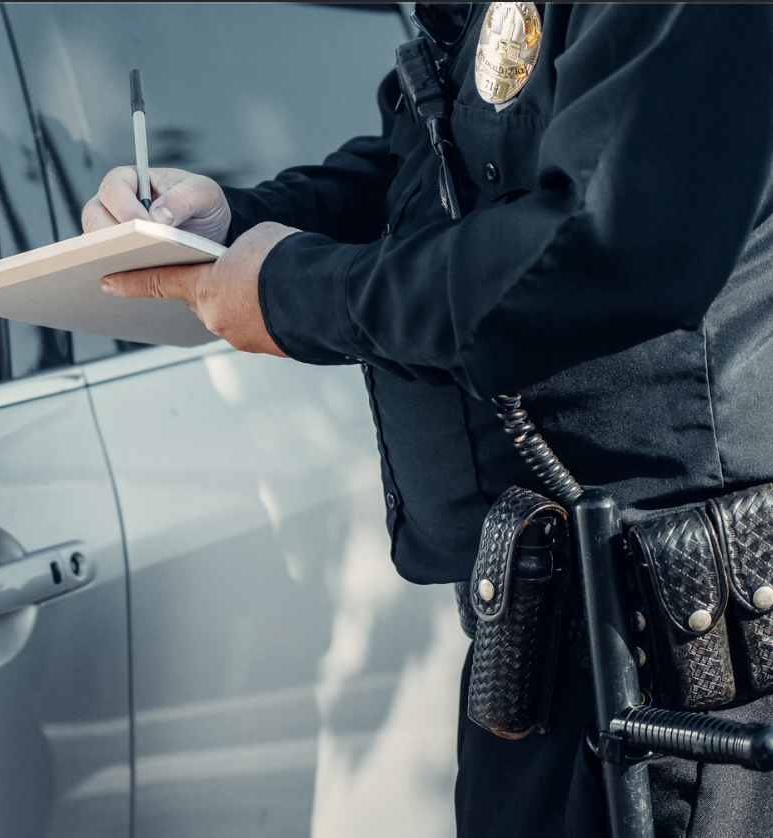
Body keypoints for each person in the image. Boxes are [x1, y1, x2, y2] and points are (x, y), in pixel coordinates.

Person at [84, 4, 773, 837]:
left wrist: (297, 291)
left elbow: (610, 239)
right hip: (543, 646)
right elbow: (432, 166)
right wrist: (237, 220)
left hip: (691, 673)